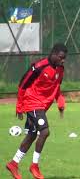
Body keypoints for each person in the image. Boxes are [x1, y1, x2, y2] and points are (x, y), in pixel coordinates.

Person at [6, 43, 68, 179]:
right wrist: (19, 106)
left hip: (42, 106)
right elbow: (23, 85)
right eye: (61, 57)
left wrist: (60, 101)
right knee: (45, 131)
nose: (63, 60)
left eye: (64, 58)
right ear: (53, 54)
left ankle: (13, 163)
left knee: (32, 135)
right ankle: (34, 165)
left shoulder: (60, 69)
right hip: (32, 102)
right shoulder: (39, 67)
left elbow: (57, 87)